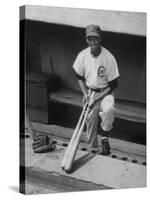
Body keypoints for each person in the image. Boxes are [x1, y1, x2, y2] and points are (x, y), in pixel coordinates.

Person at [73, 24, 119, 155]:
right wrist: (85, 95)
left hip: (106, 92)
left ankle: (105, 137)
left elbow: (113, 84)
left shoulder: (108, 57)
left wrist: (98, 98)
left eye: (95, 38)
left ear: (100, 39)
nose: (92, 41)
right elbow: (79, 77)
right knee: (90, 121)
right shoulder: (82, 55)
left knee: (109, 109)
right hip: (89, 92)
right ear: (86, 40)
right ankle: (93, 148)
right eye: (90, 38)